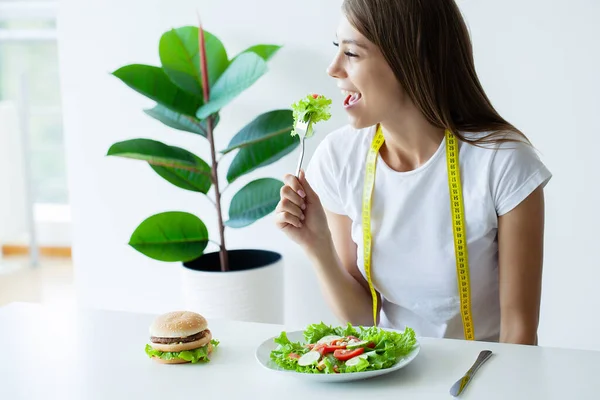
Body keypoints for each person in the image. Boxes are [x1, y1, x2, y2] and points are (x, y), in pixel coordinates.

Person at [275, 0, 551, 345]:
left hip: (481, 377)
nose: (333, 69)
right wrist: (317, 246)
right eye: (337, 48)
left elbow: (519, 336)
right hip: (391, 374)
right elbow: (364, 319)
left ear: (410, 57)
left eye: (352, 54)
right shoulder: (338, 157)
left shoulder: (503, 162)